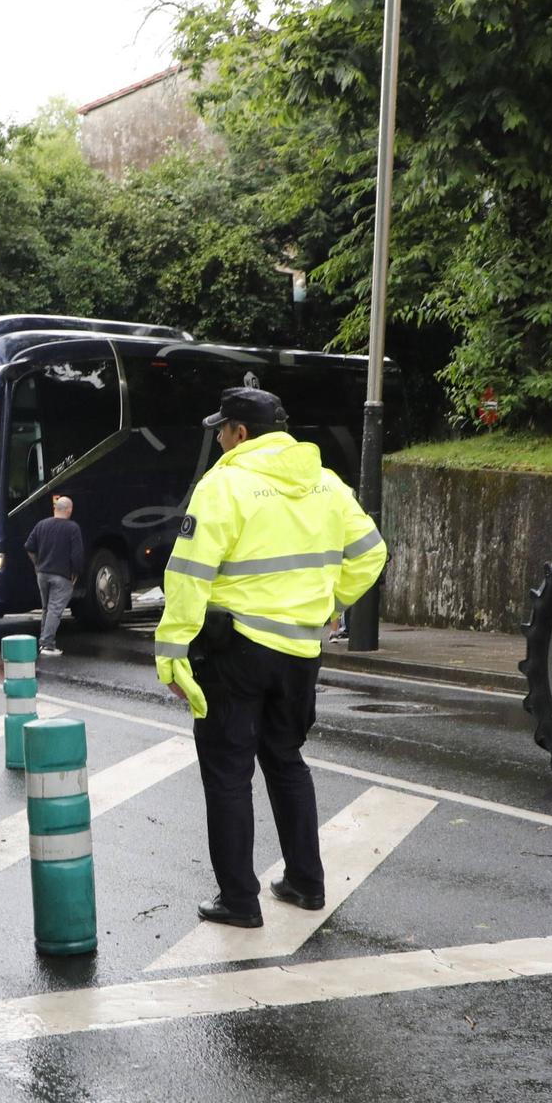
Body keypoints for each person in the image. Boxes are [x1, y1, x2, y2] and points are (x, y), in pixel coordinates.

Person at [154, 387, 388, 930]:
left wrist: (171, 654)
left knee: (229, 774)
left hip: (233, 651)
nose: (217, 439)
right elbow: (371, 551)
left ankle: (239, 900)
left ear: (240, 432)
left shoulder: (225, 484)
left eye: (221, 429)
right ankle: (306, 882)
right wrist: (331, 606)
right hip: (300, 653)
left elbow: (188, 574)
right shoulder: (327, 484)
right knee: (286, 762)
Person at [23, 495, 83, 657]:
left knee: (47, 608)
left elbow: (29, 547)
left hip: (42, 574)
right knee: (55, 610)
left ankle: (44, 641)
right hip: (62, 575)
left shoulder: (42, 524)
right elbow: (77, 555)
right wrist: (76, 572)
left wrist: (37, 565)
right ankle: (47, 644)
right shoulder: (72, 528)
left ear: (55, 509)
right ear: (69, 510)